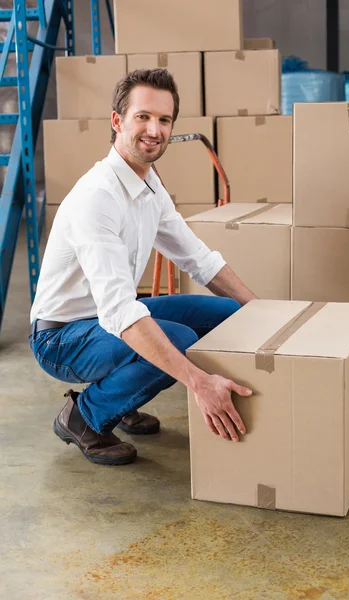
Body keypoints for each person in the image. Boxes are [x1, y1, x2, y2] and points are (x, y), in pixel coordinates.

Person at [29, 69, 257, 466]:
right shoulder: (97, 198)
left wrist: (265, 313)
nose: (155, 130)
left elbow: (197, 258)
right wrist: (200, 384)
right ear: (117, 121)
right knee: (179, 340)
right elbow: (120, 311)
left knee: (232, 316)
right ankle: (84, 416)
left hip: (108, 317)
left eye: (164, 120)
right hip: (62, 336)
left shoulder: (150, 187)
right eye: (143, 117)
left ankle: (120, 395)